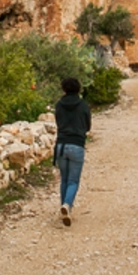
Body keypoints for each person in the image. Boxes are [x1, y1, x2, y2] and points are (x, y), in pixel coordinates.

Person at [53, 76, 92, 226]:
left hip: (61, 145)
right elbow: (88, 126)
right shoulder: (83, 105)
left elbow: (58, 122)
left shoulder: (59, 105)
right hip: (77, 145)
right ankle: (67, 205)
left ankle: (64, 206)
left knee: (64, 178)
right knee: (73, 180)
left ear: (64, 89)